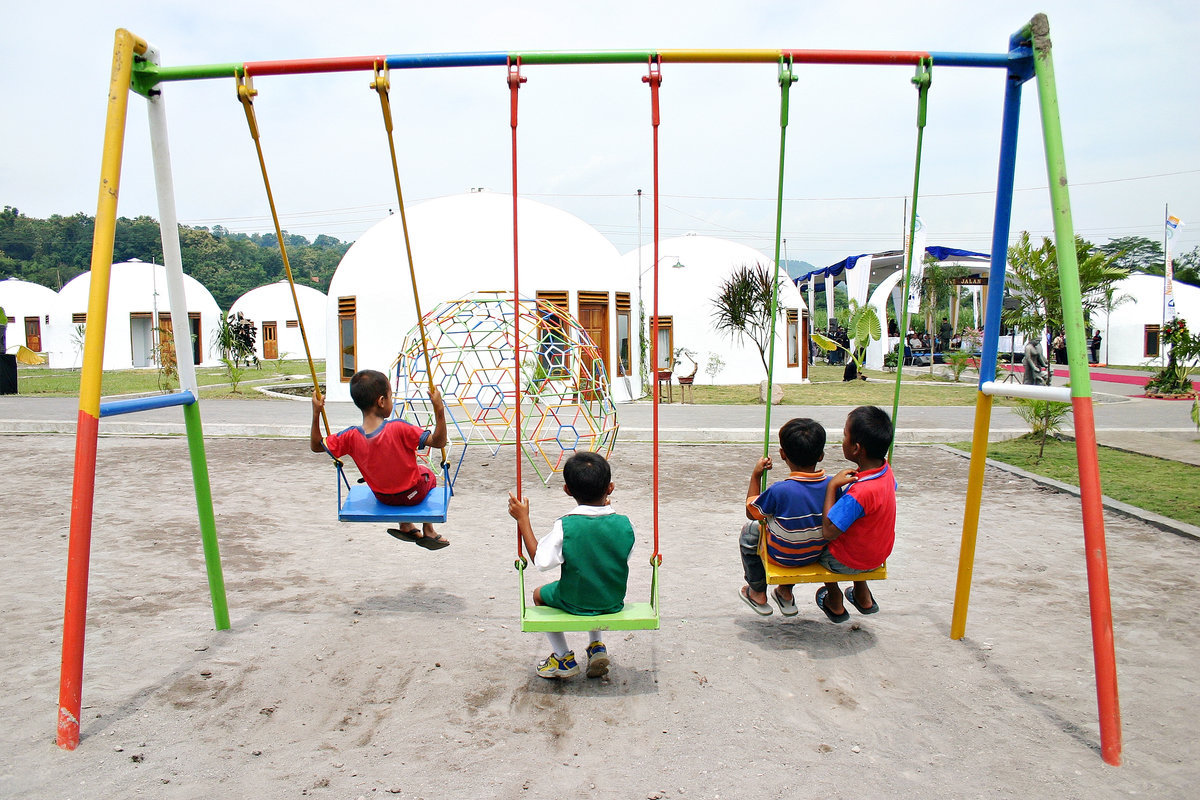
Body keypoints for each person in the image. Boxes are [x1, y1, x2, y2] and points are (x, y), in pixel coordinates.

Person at [507, 451, 634, 679]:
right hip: (613, 601)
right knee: (596, 580)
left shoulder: (566, 526)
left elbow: (541, 562)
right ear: (610, 488)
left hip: (575, 600)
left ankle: (563, 657)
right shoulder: (625, 524)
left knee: (539, 595)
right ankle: (596, 645)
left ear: (567, 490)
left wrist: (523, 520)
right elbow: (622, 555)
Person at [310, 369, 449, 549]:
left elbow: (315, 446)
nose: (391, 401)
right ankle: (428, 529)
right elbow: (439, 442)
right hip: (411, 496)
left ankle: (406, 525)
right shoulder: (399, 428)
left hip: (382, 497)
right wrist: (439, 409)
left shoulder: (350, 436)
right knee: (427, 474)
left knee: (399, 477)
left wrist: (316, 413)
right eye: (390, 397)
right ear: (382, 401)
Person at [738, 418, 832, 616]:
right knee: (803, 531)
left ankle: (757, 592)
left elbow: (751, 512)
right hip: (813, 554)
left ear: (782, 454)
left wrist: (756, 476)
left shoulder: (781, 490)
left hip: (781, 556)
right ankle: (785, 592)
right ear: (821, 455)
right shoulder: (833, 485)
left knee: (749, 533)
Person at [813, 406, 897, 623]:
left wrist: (832, 486)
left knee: (814, 543)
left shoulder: (859, 492)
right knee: (860, 530)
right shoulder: (886, 473)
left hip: (848, 561)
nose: (842, 440)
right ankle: (863, 596)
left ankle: (834, 599)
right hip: (878, 556)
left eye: (845, 435)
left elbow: (829, 531)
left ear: (857, 448)